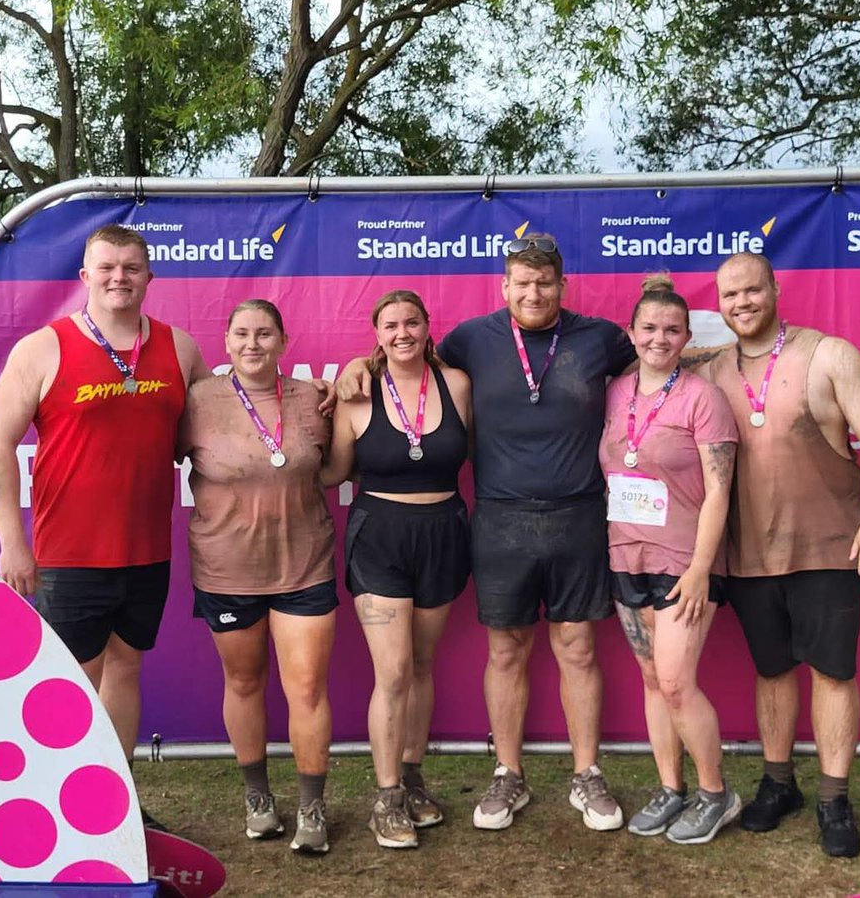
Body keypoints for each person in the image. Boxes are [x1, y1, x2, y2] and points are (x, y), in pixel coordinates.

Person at [337, 234, 636, 832]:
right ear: (504, 287)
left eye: (544, 283)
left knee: (577, 648)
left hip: (578, 515)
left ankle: (587, 775)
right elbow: (408, 361)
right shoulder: (474, 339)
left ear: (561, 286)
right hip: (499, 520)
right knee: (507, 650)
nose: (533, 293)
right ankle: (508, 775)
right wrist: (355, 365)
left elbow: (657, 369)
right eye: (521, 283)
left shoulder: (601, 337)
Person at [0, 224, 208, 827]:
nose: (118, 278)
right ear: (84, 276)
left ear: (149, 277)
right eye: (106, 267)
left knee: (126, 670)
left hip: (145, 550)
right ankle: (58, 806)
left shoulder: (180, 349)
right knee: (73, 683)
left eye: (131, 267)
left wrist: (311, 394)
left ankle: (117, 801)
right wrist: (11, 541)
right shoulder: (42, 347)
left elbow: (216, 431)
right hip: (68, 553)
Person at [698, 251, 860, 858]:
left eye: (752, 290)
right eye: (729, 295)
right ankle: (778, 783)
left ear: (775, 288)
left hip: (831, 549)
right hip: (750, 554)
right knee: (772, 672)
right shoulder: (709, 373)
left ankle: (835, 799)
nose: (742, 303)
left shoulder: (830, 354)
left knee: (834, 673)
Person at [179, 299, 336, 853]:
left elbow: (337, 465)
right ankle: (258, 800)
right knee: (244, 683)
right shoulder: (197, 400)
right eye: (242, 334)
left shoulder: (315, 397)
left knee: (307, 689)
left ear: (283, 340)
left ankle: (312, 808)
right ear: (225, 342)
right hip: (226, 569)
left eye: (264, 333)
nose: (253, 344)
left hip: (304, 565)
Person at [323, 290, 472, 849]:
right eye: (391, 325)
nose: (403, 332)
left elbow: (479, 451)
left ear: (429, 327)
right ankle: (384, 798)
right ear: (377, 334)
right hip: (379, 537)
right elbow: (333, 472)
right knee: (393, 673)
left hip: (443, 533)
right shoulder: (356, 395)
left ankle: (412, 780)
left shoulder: (457, 385)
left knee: (423, 665)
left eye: (412, 322)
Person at [599, 274, 741, 845]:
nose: (660, 338)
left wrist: (702, 568)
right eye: (650, 328)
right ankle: (670, 787)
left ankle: (716, 793)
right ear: (632, 333)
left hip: (683, 560)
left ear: (687, 337)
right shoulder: (615, 391)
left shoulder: (703, 398)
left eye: (672, 330)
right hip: (625, 554)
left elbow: (720, 490)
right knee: (654, 680)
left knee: (679, 682)